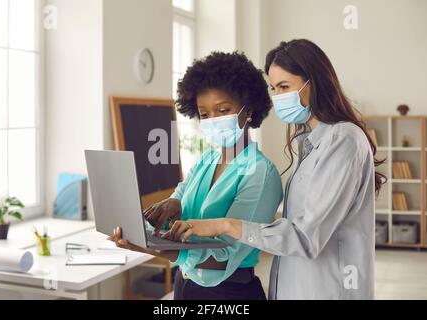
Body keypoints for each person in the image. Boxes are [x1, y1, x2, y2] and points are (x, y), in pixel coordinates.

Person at [161, 39, 387, 300]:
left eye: (284, 87)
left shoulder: (343, 140)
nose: (278, 97)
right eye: (273, 88)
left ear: (314, 83)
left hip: (329, 289)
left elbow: (305, 238)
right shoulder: (310, 142)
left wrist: (223, 225)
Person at [109, 52, 283, 300]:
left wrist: (150, 247)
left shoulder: (260, 174)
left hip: (229, 292)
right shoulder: (206, 161)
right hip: (185, 285)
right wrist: (168, 209)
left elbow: (220, 262)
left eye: (223, 110)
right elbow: (180, 197)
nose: (213, 120)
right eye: (204, 114)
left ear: (249, 110)